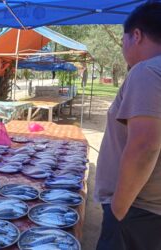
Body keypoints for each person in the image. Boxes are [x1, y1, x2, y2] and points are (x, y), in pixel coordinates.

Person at [94, 2, 161, 250]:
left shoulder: (147, 71)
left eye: (123, 39)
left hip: (136, 210)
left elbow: (145, 146)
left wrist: (118, 210)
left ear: (136, 35)